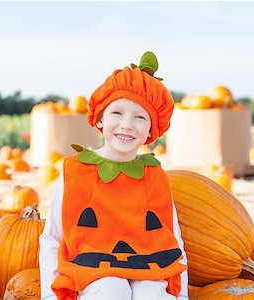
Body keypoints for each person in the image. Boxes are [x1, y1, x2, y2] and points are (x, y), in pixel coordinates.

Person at [39, 51, 188, 300]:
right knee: (110, 289)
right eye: (117, 113)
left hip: (149, 266)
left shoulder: (154, 176)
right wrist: (49, 295)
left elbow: (173, 240)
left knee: (151, 293)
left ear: (152, 129)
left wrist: (181, 295)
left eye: (140, 117)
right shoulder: (75, 172)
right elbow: (53, 237)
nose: (127, 125)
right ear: (99, 119)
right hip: (90, 268)